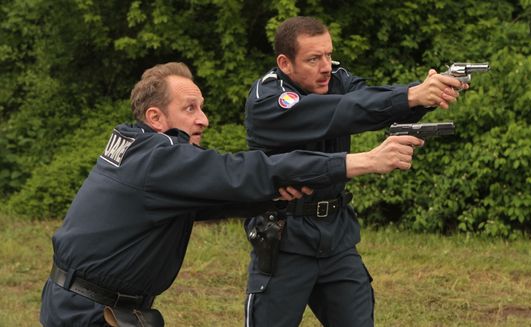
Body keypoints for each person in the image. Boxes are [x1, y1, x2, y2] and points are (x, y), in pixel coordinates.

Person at [39, 62, 424, 326]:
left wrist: (273, 197)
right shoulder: (158, 158)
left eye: (202, 107)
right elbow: (242, 171)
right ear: (155, 117)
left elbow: (210, 199)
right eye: (189, 108)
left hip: (90, 304)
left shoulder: (136, 147)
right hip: (91, 312)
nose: (203, 118)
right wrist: (364, 161)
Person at [243, 16, 468, 327]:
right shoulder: (268, 98)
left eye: (328, 55)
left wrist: (427, 93)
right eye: (313, 59)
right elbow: (341, 112)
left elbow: (369, 101)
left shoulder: (335, 77)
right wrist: (411, 95)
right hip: (285, 238)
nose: (325, 66)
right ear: (285, 62)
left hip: (336, 236)